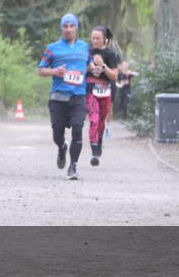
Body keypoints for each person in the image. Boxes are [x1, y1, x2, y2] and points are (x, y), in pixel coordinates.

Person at [38, 14, 91, 180]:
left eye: (71, 26)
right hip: (58, 97)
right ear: (61, 28)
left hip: (79, 96)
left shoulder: (85, 47)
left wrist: (94, 69)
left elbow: (88, 65)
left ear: (76, 28)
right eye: (65, 26)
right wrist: (54, 71)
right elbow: (40, 70)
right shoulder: (52, 48)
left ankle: (73, 167)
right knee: (57, 134)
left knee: (77, 129)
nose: (68, 29)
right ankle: (62, 147)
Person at [85, 26, 119, 166]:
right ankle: (94, 152)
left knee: (101, 121)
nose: (95, 41)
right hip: (90, 88)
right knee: (93, 118)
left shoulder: (111, 54)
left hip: (105, 89)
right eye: (93, 38)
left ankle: (99, 141)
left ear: (104, 38)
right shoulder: (87, 51)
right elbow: (81, 68)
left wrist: (103, 65)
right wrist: (89, 66)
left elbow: (115, 76)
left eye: (98, 38)